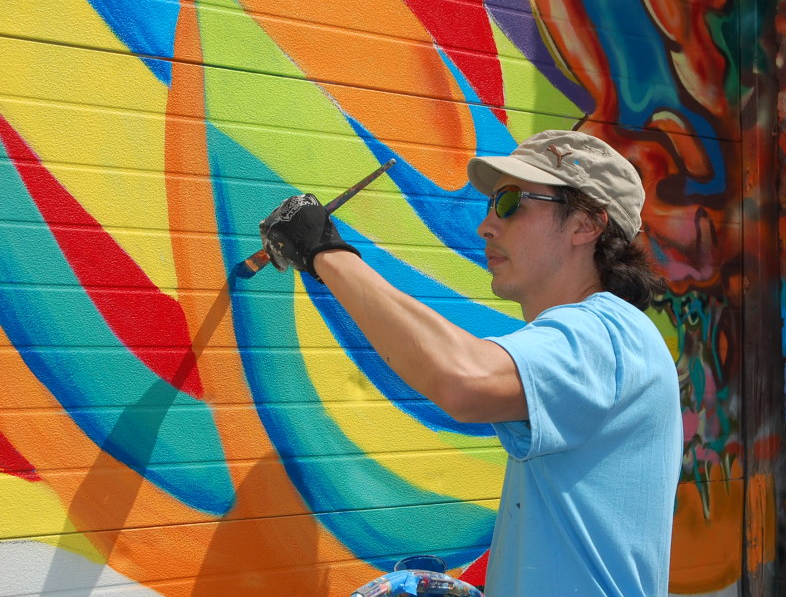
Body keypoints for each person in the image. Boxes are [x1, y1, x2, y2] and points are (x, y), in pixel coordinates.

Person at [259, 129, 683, 596]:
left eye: (511, 203)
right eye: (491, 206)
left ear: (586, 225)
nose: (487, 225)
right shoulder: (607, 339)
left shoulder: (606, 336)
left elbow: (462, 378)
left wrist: (325, 252)